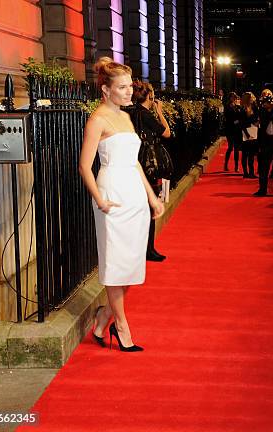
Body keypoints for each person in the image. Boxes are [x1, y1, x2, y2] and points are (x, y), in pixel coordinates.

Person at [79, 57, 165, 352]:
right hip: (111, 193)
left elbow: (136, 163)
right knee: (116, 263)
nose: (130, 92)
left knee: (130, 263)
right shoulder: (98, 119)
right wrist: (99, 199)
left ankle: (104, 317)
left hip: (134, 195)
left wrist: (152, 197)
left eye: (131, 86)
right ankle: (122, 326)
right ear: (105, 89)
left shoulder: (127, 117)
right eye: (123, 87)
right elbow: (83, 166)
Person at [130, 80, 171, 262]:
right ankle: (149, 249)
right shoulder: (146, 114)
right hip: (148, 166)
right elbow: (167, 133)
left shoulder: (130, 112)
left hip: (134, 161)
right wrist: (160, 111)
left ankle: (140, 248)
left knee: (138, 208)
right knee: (148, 208)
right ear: (150, 96)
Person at [240, 92, 259, 178]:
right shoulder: (243, 109)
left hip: (253, 129)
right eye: (251, 98)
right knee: (245, 153)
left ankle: (251, 172)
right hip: (246, 131)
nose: (253, 99)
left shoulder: (254, 108)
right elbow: (242, 123)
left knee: (251, 153)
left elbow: (256, 117)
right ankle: (245, 172)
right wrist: (247, 134)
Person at [223, 92, 242, 172]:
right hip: (230, 129)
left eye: (235, 97)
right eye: (233, 97)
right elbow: (227, 116)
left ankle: (236, 166)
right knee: (230, 147)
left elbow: (240, 115)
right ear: (230, 98)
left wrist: (238, 107)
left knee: (237, 148)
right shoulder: (227, 106)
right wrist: (234, 121)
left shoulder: (238, 106)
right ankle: (225, 164)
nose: (234, 99)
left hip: (237, 129)